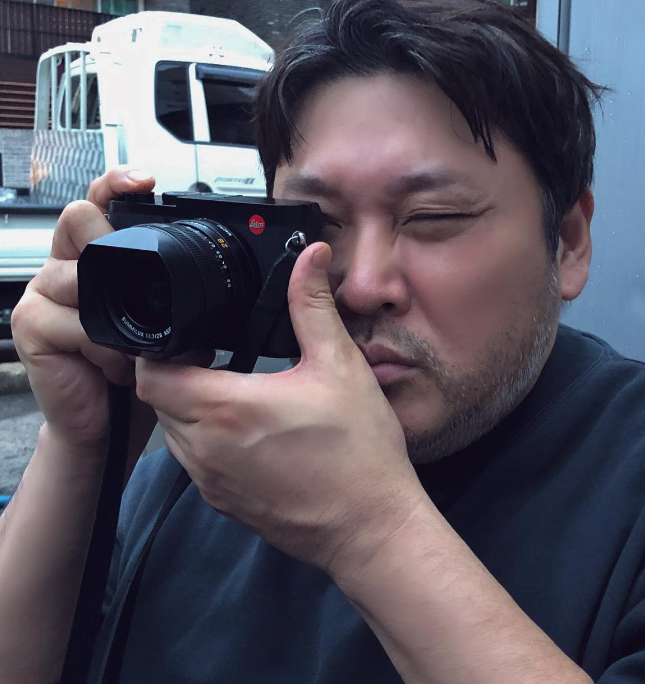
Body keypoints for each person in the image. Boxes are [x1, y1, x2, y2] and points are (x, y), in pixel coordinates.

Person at [3, 0, 645, 681]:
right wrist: (82, 448)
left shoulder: (622, 484)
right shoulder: (213, 455)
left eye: (433, 217)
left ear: (567, 242)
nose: (361, 286)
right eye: (318, 224)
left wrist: (371, 529)